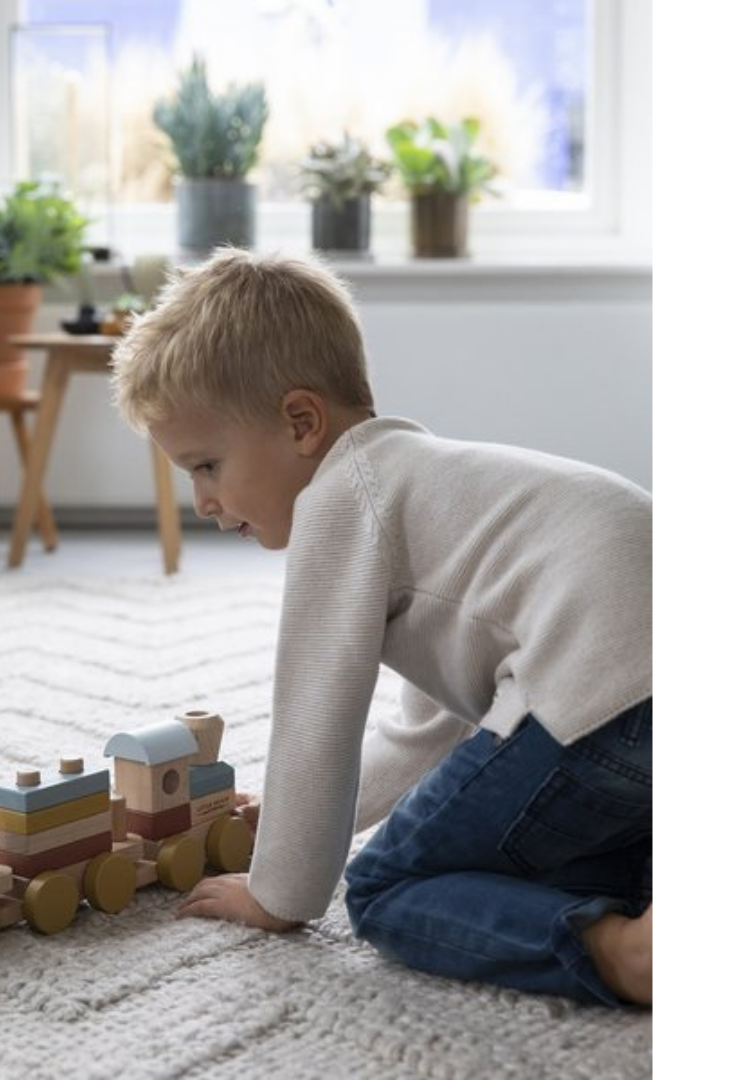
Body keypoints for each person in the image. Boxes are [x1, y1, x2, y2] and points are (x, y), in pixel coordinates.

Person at [109, 247, 652, 1007]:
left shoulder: (342, 499)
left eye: (206, 466)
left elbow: (316, 716)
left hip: (603, 698)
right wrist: (278, 819)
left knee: (387, 886)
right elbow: (428, 730)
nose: (201, 500)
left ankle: (631, 955)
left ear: (301, 423)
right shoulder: (429, 486)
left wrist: (278, 889)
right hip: (636, 697)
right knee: (535, 858)